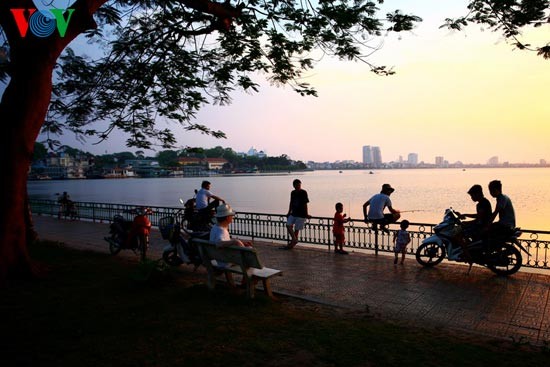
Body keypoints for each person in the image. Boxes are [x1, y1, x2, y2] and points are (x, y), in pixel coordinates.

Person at [281, 179, 311, 250]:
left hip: (301, 214)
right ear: (294, 186)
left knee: (296, 230)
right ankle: (294, 239)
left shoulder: (303, 192)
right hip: (293, 213)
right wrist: (288, 212)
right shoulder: (293, 193)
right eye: (297, 185)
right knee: (288, 225)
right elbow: (291, 202)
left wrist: (306, 214)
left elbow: (305, 203)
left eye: (299, 185)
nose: (298, 186)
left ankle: (291, 245)